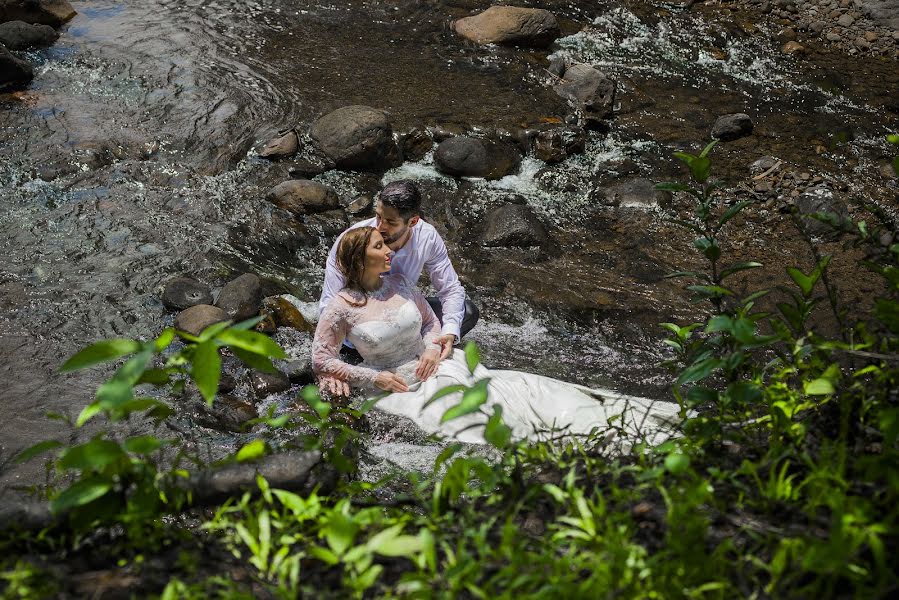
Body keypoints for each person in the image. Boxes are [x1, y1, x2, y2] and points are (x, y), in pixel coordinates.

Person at [311, 226, 682, 445]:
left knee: (534, 397)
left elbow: (430, 324)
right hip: (393, 386)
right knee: (475, 427)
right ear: (360, 259)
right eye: (379, 246)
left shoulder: (401, 283)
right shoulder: (340, 308)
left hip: (437, 367)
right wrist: (372, 376)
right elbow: (321, 358)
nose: (388, 249)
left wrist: (430, 349)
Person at [318, 179, 478, 396]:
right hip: (361, 330)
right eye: (378, 216)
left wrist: (445, 336)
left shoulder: (427, 237)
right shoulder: (353, 242)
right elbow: (329, 306)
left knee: (466, 313)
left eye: (390, 222)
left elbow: (450, 289)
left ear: (413, 221)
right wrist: (333, 368)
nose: (380, 227)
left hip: (402, 309)